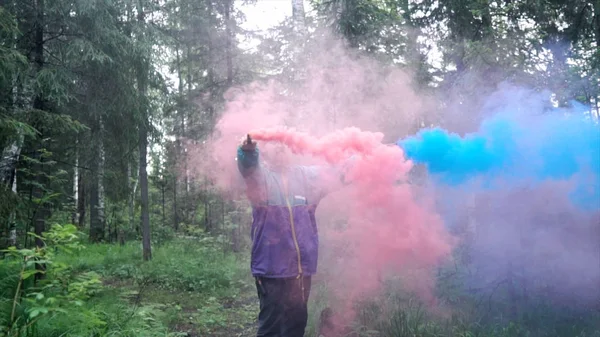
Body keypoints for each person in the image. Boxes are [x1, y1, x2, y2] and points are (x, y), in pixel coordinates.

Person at [236, 134, 352, 337]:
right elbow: (247, 166)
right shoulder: (260, 178)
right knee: (271, 326)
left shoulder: (308, 177)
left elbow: (336, 172)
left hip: (300, 268)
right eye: (275, 147)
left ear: (292, 150)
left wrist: (363, 157)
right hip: (270, 268)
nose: (280, 150)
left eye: (284, 146)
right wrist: (247, 151)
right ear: (267, 152)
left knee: (296, 324)